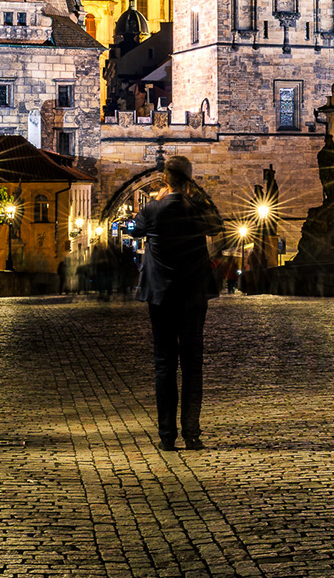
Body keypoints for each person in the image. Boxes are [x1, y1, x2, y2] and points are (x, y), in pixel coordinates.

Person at [134, 156, 225, 450]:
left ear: (164, 180)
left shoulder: (152, 209)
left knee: (164, 365)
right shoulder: (197, 209)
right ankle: (192, 433)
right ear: (189, 181)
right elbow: (218, 225)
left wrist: (161, 198)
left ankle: (166, 436)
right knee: (192, 365)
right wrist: (194, 195)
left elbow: (135, 229)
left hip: (160, 295)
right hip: (193, 295)